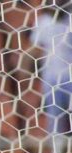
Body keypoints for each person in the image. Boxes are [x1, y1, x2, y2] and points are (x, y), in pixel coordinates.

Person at [30, 3, 72, 135]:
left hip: (70, 76)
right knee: (55, 118)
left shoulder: (70, 18)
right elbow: (35, 48)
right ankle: (57, 152)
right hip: (51, 79)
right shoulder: (43, 22)